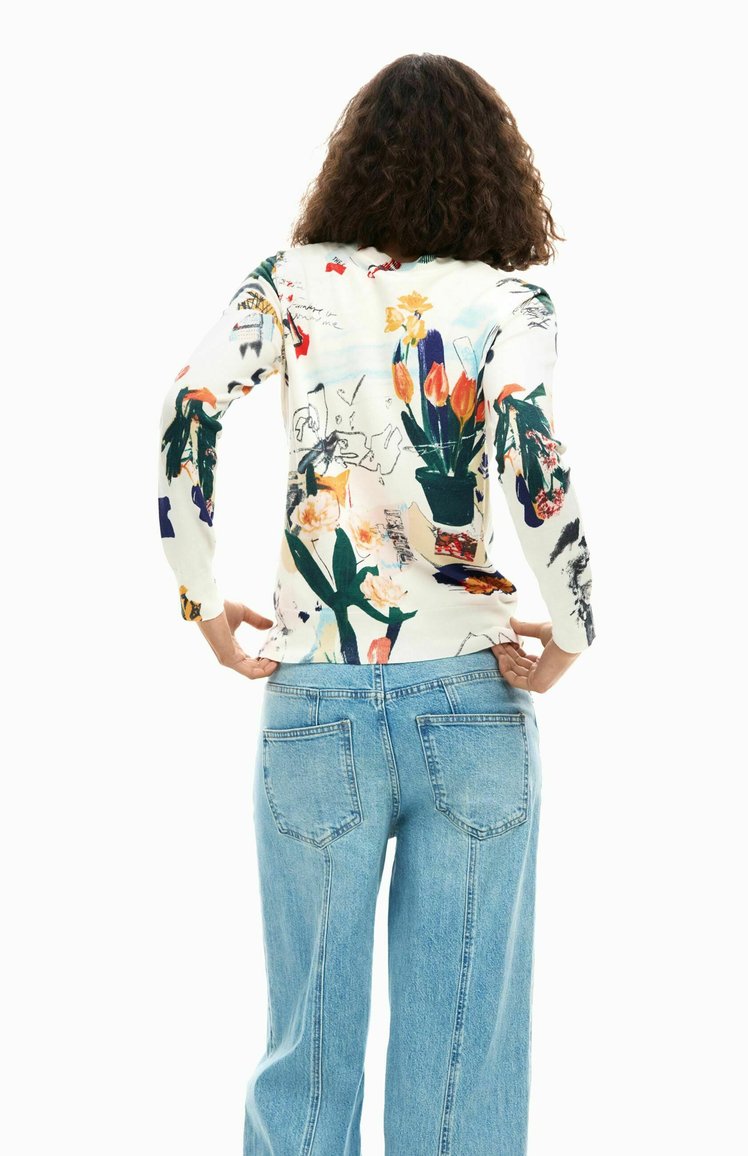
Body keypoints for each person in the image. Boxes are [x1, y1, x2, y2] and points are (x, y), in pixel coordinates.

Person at [157, 52, 595, 1156]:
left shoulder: (288, 282)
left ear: (350, 165)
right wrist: (571, 630)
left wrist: (201, 601)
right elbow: (533, 453)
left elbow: (190, 406)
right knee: (460, 1074)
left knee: (305, 1061)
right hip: (471, 704)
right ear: (496, 175)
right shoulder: (507, 301)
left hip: (316, 699)